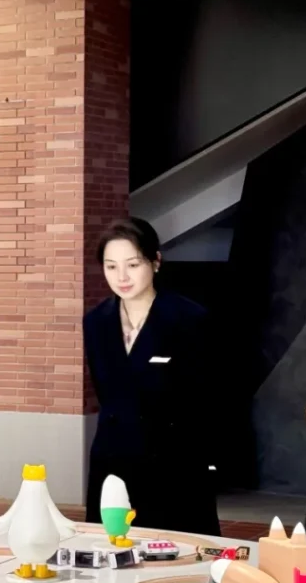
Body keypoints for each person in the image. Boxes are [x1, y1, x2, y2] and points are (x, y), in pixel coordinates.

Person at [83, 217, 221, 536]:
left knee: (177, 553)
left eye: (132, 265)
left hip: (174, 465)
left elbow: (207, 400)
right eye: (111, 266)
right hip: (112, 461)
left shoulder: (189, 319)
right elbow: (107, 394)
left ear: (155, 261)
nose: (122, 277)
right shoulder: (96, 322)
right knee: (110, 550)